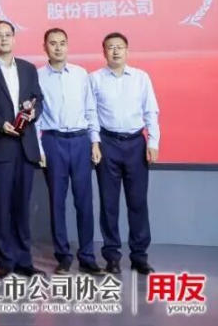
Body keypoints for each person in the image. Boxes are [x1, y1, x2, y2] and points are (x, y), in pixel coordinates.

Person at [0, 20, 45, 278]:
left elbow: (38, 98)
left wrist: (33, 113)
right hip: (1, 145)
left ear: (14, 38)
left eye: (7, 35)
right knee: (2, 205)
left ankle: (25, 261)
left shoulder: (28, 68)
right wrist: (0, 123)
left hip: (25, 146)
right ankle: (6, 262)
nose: (3, 39)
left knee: (22, 206)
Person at [35, 28, 103, 275]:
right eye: (53, 43)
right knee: (57, 202)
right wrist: (39, 148)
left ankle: (87, 256)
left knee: (84, 202)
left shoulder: (81, 74)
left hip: (80, 141)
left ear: (68, 45)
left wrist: (95, 142)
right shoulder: (37, 76)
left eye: (62, 43)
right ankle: (63, 256)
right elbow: (35, 117)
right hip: (53, 142)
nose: (58, 47)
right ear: (44, 47)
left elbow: (90, 109)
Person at [90, 32, 159, 275]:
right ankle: (112, 256)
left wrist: (153, 142)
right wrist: (94, 142)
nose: (116, 51)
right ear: (104, 52)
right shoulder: (95, 79)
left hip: (135, 144)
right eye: (111, 47)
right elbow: (91, 114)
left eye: (120, 47)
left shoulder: (141, 78)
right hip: (107, 144)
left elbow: (151, 111)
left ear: (127, 50)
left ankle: (139, 256)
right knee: (109, 203)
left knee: (137, 202)